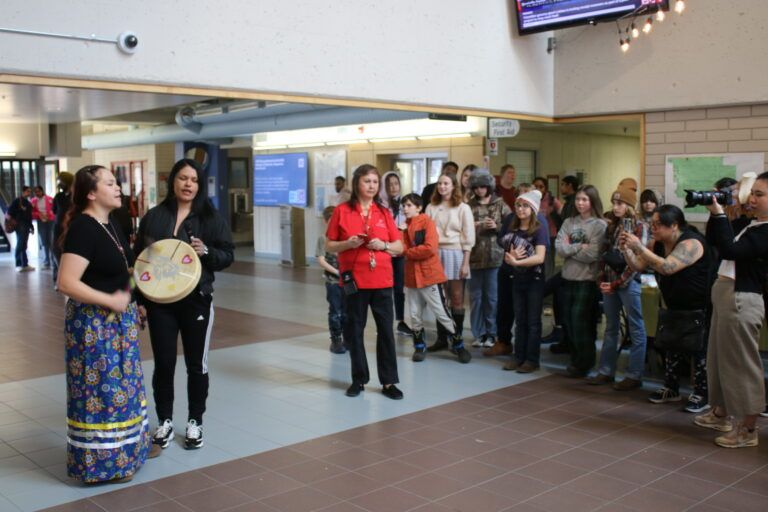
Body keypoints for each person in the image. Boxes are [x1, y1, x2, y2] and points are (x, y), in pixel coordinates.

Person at [57, 165, 160, 484]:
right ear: (91, 193)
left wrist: (135, 302)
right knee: (101, 392)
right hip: (94, 326)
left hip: (119, 321)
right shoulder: (83, 229)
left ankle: (129, 449)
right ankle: (100, 464)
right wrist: (109, 300)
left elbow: (122, 270)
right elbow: (66, 282)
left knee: (123, 389)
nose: (119, 188)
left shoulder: (111, 223)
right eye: (111, 183)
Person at [134, 158, 235, 450]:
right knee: (163, 363)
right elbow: (139, 260)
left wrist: (208, 252)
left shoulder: (211, 218)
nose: (188, 184)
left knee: (196, 365)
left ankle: (195, 421)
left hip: (196, 301)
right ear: (173, 182)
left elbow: (228, 255)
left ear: (200, 185)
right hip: (159, 303)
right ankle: (164, 420)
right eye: (182, 178)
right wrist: (139, 299)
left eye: (194, 180)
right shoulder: (154, 216)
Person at [693, 173, 768, 448]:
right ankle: (722, 413)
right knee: (718, 359)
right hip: (727, 295)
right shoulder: (751, 223)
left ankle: (748, 429)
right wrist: (718, 213)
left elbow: (731, 249)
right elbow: (717, 240)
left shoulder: (766, 231)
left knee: (741, 365)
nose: (753, 199)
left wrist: (720, 214)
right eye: (753, 193)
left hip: (743, 298)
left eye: (760, 194)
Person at [622, 205, 713, 413]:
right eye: (652, 224)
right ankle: (671, 388)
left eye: (658, 225)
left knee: (699, 352)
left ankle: (702, 393)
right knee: (670, 345)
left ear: (674, 226)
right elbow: (638, 266)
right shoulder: (658, 243)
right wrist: (627, 249)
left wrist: (639, 247)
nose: (653, 228)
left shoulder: (692, 243)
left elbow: (667, 267)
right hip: (672, 303)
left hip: (698, 305)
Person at [325, 164, 405, 399]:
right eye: (366, 181)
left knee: (386, 331)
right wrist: (347, 244)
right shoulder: (342, 211)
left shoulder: (384, 212)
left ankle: (389, 382)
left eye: (374, 182)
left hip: (381, 279)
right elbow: (329, 244)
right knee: (354, 331)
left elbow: (400, 246)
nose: (371, 186)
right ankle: (358, 379)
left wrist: (385, 246)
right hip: (354, 281)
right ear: (357, 183)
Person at [588, 187, 648, 390]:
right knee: (611, 327)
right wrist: (602, 279)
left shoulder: (639, 227)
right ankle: (605, 371)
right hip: (611, 281)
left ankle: (634, 374)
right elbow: (604, 254)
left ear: (630, 206)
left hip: (628, 282)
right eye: (613, 203)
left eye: (620, 203)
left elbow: (638, 262)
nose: (615, 207)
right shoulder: (612, 226)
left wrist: (615, 283)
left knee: (636, 328)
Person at [555, 185, 607, 378]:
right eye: (578, 199)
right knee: (568, 321)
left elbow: (593, 254)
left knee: (580, 322)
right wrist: (579, 246)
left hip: (587, 280)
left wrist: (571, 248)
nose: (580, 203)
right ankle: (575, 359)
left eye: (584, 199)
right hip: (568, 277)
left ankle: (585, 362)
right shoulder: (569, 222)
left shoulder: (599, 225)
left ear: (592, 201)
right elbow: (560, 248)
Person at [425, 173, 475, 363]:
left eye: (446, 183)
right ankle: (441, 338)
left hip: (456, 253)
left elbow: (469, 237)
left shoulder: (463, 208)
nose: (442, 187)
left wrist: (465, 262)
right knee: (439, 297)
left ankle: (457, 339)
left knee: (456, 297)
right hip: (436, 253)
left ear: (454, 186)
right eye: (439, 183)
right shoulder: (431, 207)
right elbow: (428, 233)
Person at [400, 193, 456, 362]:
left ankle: (458, 343)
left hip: (429, 275)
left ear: (419, 207)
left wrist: (407, 252)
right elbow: (398, 246)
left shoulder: (427, 223)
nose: (405, 208)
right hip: (411, 277)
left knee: (441, 312)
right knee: (415, 315)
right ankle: (419, 346)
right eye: (404, 205)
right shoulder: (402, 227)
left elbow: (430, 248)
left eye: (409, 205)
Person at [499, 189, 548, 372]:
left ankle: (532, 360)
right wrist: (510, 258)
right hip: (517, 279)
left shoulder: (539, 230)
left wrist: (517, 261)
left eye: (525, 206)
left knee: (533, 321)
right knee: (520, 320)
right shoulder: (513, 230)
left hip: (534, 279)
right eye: (518, 205)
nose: (520, 209)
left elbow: (540, 257)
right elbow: (508, 254)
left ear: (533, 209)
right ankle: (518, 357)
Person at [468, 170, 510, 349]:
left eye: (482, 187)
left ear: (489, 186)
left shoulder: (500, 204)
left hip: (495, 257)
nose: (479, 191)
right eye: (476, 187)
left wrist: (497, 226)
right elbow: (461, 228)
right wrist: (473, 226)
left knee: (492, 298)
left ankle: (492, 333)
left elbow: (512, 226)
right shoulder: (468, 206)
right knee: (475, 298)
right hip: (474, 256)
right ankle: (479, 333)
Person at [379, 171, 413, 336]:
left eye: (396, 183)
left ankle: (401, 321)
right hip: (383, 252)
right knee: (383, 289)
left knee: (399, 289)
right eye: (389, 184)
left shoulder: (404, 203)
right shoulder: (378, 205)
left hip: (399, 253)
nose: (393, 187)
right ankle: (384, 323)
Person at [317, 206, 347, 354]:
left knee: (347, 311)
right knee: (335, 311)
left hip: (347, 283)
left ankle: (348, 338)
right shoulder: (323, 239)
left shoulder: (345, 238)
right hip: (333, 282)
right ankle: (336, 339)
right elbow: (321, 260)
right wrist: (337, 272)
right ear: (325, 221)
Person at [533, 177, 561, 277]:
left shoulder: (552, 200)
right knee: (537, 259)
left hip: (550, 235)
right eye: (536, 186)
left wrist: (552, 212)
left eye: (541, 187)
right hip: (535, 234)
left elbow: (562, 212)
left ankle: (548, 282)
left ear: (545, 188)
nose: (538, 189)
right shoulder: (531, 199)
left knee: (548, 260)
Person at [52, 172, 74, 286]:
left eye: (61, 182)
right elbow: (54, 211)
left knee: (69, 252)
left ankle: (69, 277)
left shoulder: (75, 197)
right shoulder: (58, 197)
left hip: (71, 228)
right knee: (56, 251)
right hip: (58, 228)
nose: (59, 184)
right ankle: (58, 279)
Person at [8, 186, 34, 272]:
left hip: (26, 225)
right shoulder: (17, 201)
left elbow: (29, 216)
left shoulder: (28, 202)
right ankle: (19, 264)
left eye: (30, 192)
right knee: (20, 244)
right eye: (27, 191)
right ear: (23, 192)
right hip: (20, 225)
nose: (29, 193)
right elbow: (10, 212)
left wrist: (31, 226)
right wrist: (17, 218)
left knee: (24, 245)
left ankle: (24, 264)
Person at [30, 185, 54, 269]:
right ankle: (46, 260)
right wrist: (39, 215)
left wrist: (48, 215)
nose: (37, 193)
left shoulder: (50, 199)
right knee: (44, 240)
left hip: (50, 221)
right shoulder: (33, 201)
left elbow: (54, 210)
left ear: (42, 191)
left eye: (38, 191)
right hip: (41, 221)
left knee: (51, 239)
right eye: (35, 192)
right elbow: (31, 213)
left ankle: (53, 259)